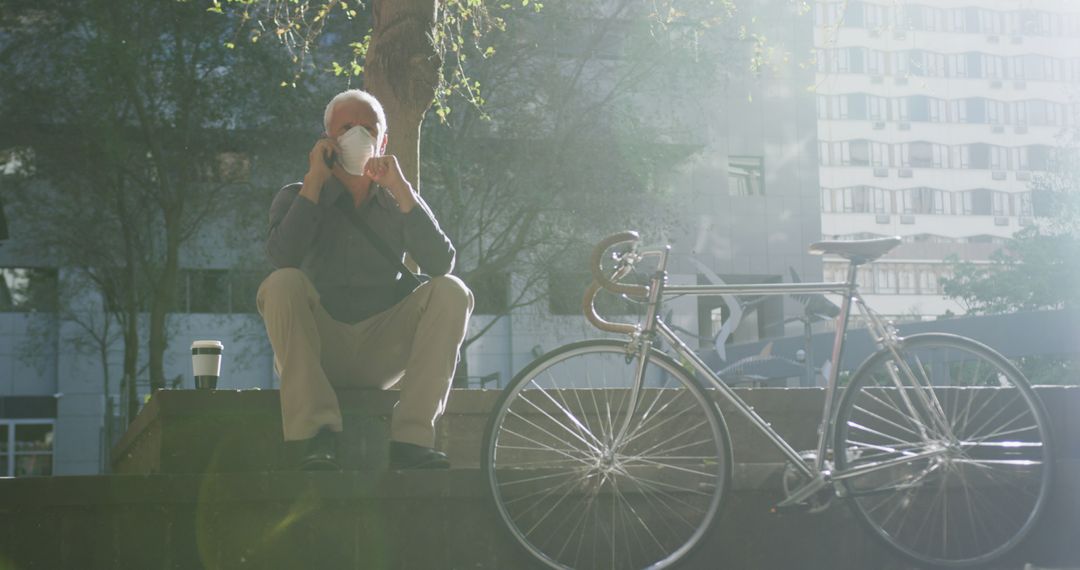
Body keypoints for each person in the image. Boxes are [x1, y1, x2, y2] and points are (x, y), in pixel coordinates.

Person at [256, 89, 473, 470]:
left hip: (382, 349)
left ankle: (411, 442)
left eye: (369, 128)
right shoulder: (297, 196)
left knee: (453, 291)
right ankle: (315, 438)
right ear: (327, 140)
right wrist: (314, 182)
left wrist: (401, 189)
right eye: (347, 127)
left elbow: (442, 263)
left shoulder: (398, 200)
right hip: (320, 348)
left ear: (383, 140)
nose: (358, 136)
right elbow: (281, 258)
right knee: (282, 283)